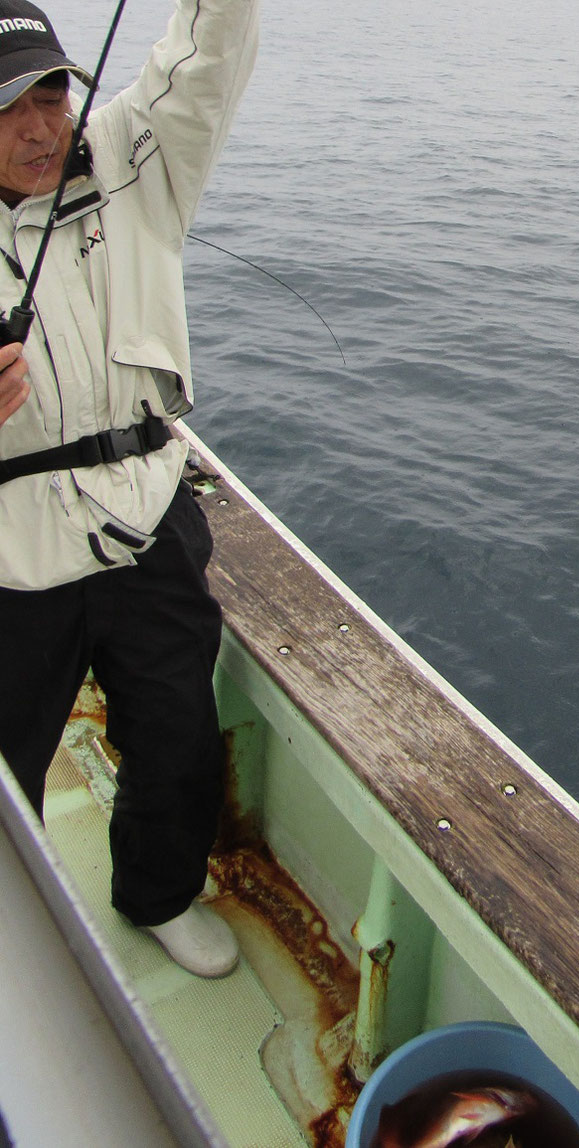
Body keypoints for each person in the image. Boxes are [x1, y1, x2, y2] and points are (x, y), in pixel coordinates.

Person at [0, 0, 259, 977]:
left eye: (51, 90)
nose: (39, 125)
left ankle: (157, 895)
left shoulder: (130, 159)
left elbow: (207, 52)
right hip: (11, 551)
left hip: (142, 511)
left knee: (176, 728)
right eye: (9, 105)